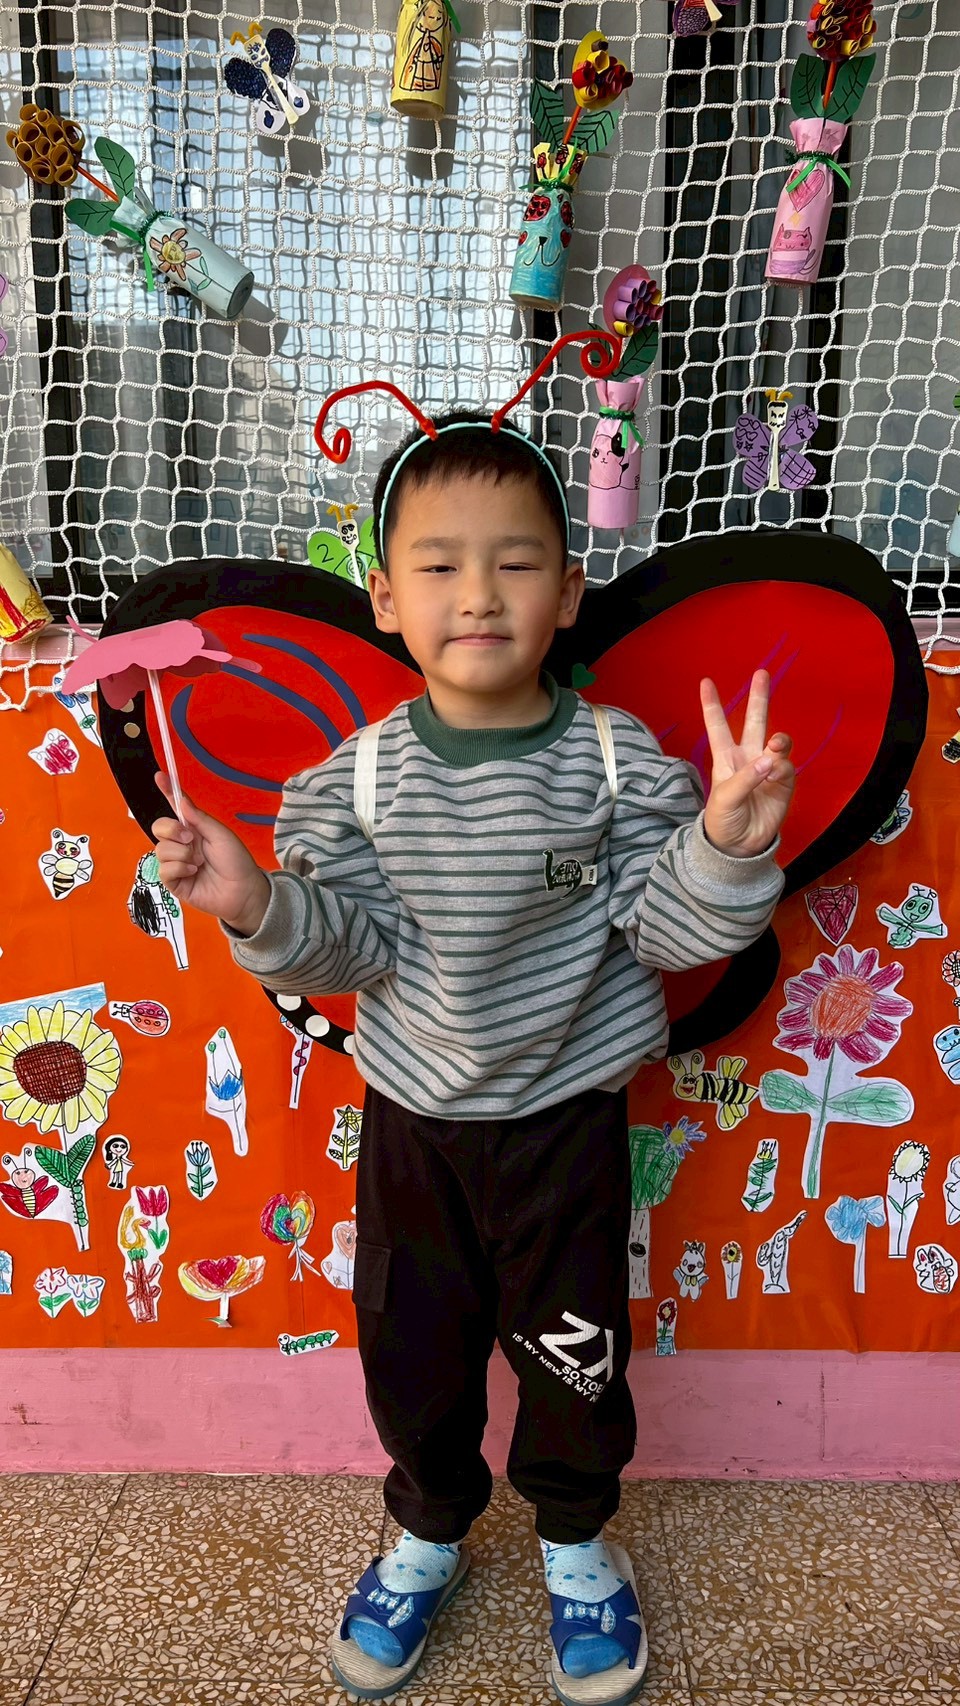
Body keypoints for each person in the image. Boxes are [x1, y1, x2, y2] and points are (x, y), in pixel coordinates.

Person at [152, 408, 795, 1706]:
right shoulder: (349, 785)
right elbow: (344, 951)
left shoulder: (620, 765)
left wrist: (727, 842)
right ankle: (429, 1528)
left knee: (575, 1352)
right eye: (439, 564)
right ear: (387, 599)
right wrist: (254, 900)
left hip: (565, 1125)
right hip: (414, 1128)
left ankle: (575, 1539)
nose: (480, 593)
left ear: (569, 590)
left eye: (516, 560)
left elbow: (669, 934)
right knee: (413, 1350)